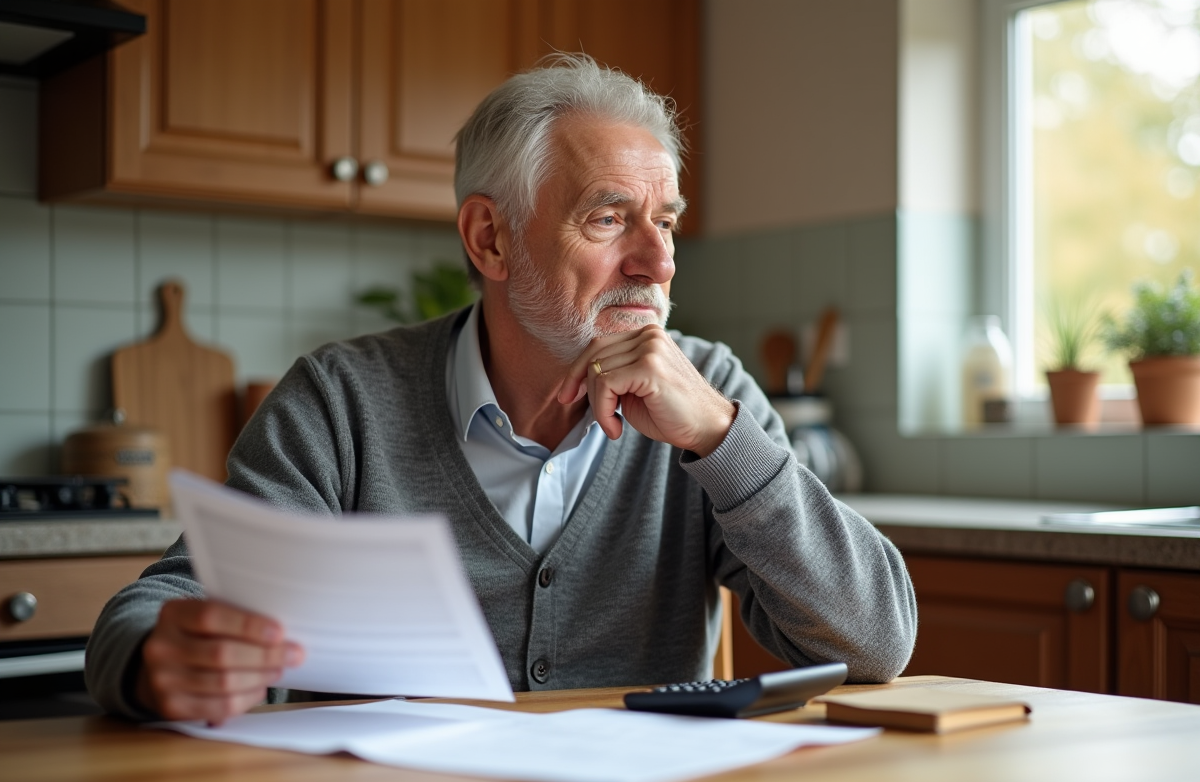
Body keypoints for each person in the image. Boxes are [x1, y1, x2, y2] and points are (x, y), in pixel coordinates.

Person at [86, 54, 917, 723]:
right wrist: (156, 657)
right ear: (490, 238)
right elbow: (163, 601)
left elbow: (877, 641)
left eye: (663, 222)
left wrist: (720, 440)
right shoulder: (341, 402)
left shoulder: (713, 392)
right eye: (607, 218)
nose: (658, 262)